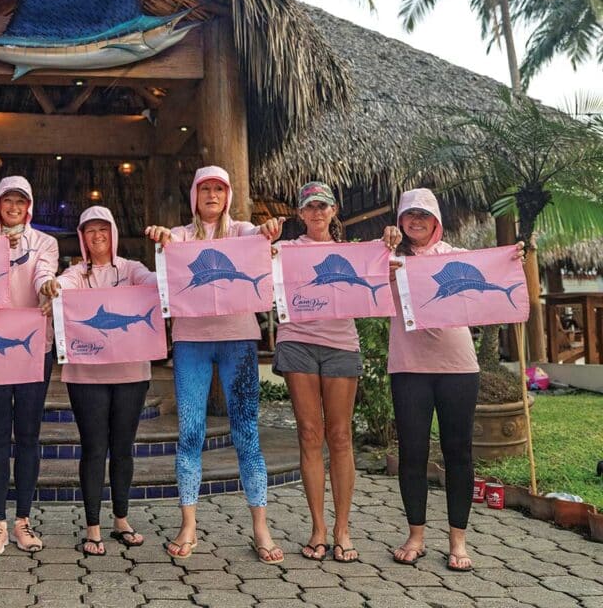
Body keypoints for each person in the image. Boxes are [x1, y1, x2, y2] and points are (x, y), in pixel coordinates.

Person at [144, 166, 285, 564]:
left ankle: (260, 526)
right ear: (194, 195)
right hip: (191, 343)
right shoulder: (181, 236)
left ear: (227, 196)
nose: (211, 195)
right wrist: (161, 237)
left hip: (238, 340)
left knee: (246, 432)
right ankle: (188, 523)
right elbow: (167, 246)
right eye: (204, 189)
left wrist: (269, 232)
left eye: (218, 189)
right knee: (190, 432)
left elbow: (262, 241)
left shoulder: (243, 232)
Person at [384, 188, 523, 572]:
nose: (416, 220)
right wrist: (384, 258)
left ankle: (458, 540)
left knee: (458, 451)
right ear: (400, 220)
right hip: (408, 367)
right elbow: (365, 289)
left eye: (423, 215)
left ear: (436, 220)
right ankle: (415, 535)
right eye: (409, 214)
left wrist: (512, 261)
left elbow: (492, 272)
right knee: (412, 452)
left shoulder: (456, 257)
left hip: (458, 367)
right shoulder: (389, 258)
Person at [271, 181, 395, 563]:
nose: (317, 213)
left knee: (340, 436)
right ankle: (318, 529)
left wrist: (391, 239)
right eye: (310, 207)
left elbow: (391, 263)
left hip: (341, 345)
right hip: (297, 342)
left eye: (324, 206)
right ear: (300, 214)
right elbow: (254, 260)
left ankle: (342, 528)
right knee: (309, 433)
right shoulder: (285, 250)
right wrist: (264, 239)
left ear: (334, 210)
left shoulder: (352, 253)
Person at [41, 205, 155, 556]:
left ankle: (121, 519)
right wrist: (52, 286)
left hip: (131, 373)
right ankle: (92, 527)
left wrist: (165, 272)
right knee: (93, 448)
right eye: (89, 230)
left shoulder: (132, 269)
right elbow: (61, 285)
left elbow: (154, 283)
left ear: (113, 232)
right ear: (82, 237)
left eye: (102, 228)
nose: (97, 235)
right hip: (86, 374)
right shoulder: (76, 273)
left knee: (123, 448)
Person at [0, 176, 58, 558]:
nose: (13, 207)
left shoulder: (46, 243)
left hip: (33, 345)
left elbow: (43, 273)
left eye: (19, 201)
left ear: (29, 207)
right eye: (6, 200)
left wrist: (48, 287)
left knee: (28, 435)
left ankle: (23, 520)